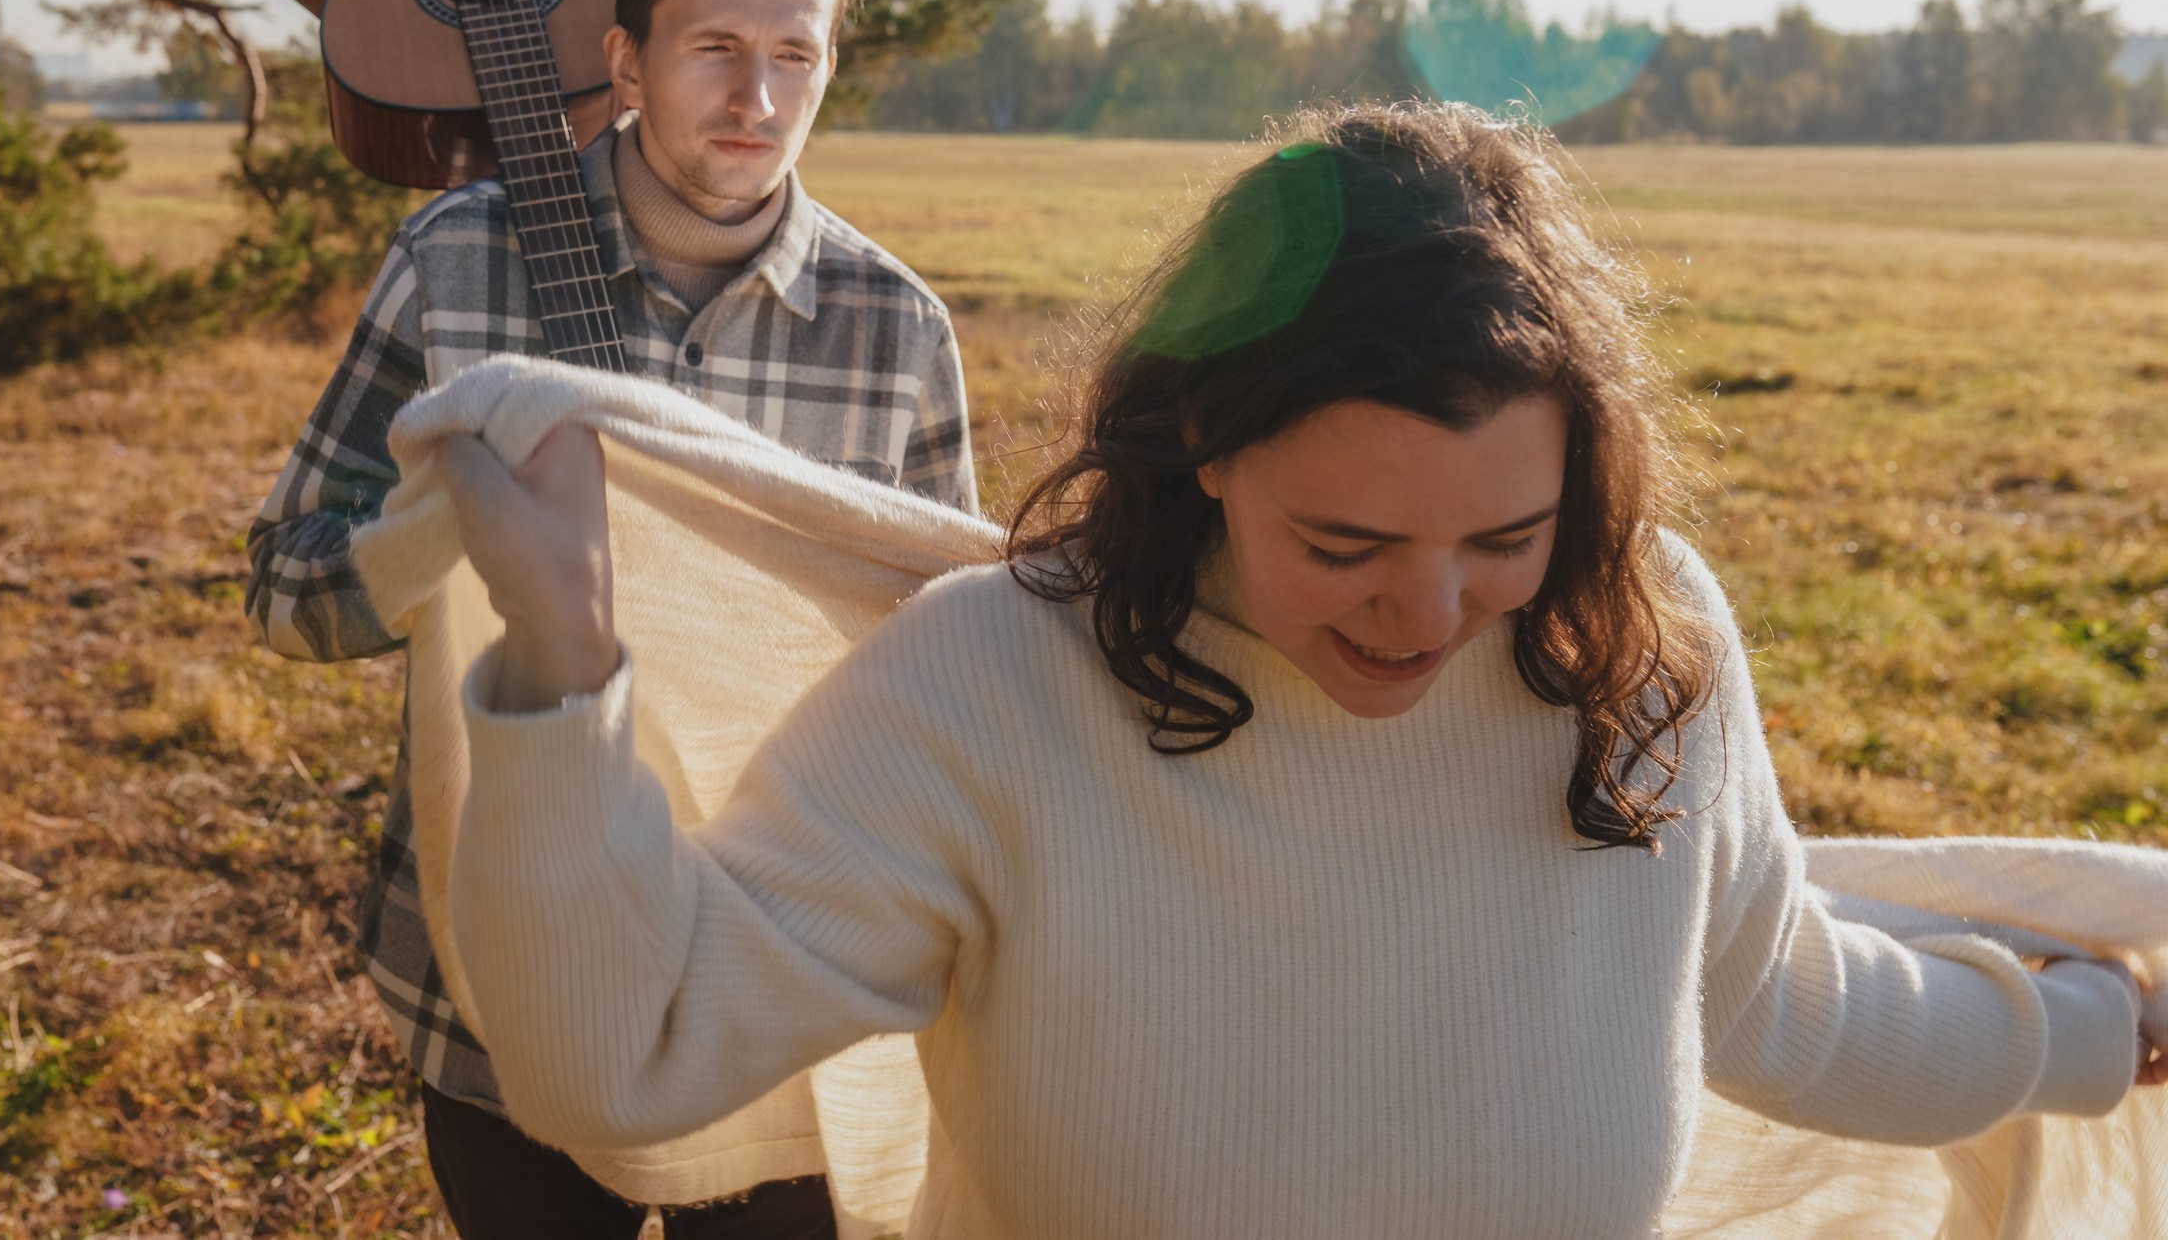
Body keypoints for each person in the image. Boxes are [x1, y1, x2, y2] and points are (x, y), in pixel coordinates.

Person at [429, 102, 2166, 1239]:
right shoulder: (997, 687)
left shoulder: (1642, 644)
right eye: (1346, 549)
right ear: (1201, 445)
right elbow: (623, 1060)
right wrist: (566, 678)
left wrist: (2110, 1027)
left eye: (1507, 537)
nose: (1430, 614)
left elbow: (1785, 999)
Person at [245, 0, 976, 1240]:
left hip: (774, 983)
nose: (758, 98)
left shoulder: (896, 331)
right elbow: (286, 590)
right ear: (626, 61)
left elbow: (948, 656)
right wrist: (451, 536)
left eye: (794, 55)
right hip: (500, 984)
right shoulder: (456, 263)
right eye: (714, 50)